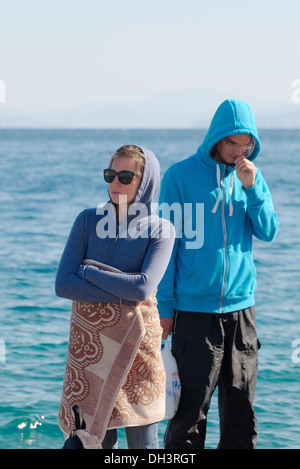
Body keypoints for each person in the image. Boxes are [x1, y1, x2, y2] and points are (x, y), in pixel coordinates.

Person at [157, 99, 279, 449]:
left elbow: (268, 230)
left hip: (242, 311)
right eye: (233, 143)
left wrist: (252, 188)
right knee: (191, 412)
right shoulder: (179, 176)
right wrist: (165, 307)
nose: (240, 151)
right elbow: (167, 246)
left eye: (247, 144)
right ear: (216, 138)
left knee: (241, 408)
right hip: (195, 313)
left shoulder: (251, 177)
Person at [55, 145, 175, 449]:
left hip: (139, 352)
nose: (115, 184)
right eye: (110, 175)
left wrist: (90, 270)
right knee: (90, 443)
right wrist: (122, 290)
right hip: (91, 353)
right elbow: (63, 285)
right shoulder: (87, 221)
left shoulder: (161, 230)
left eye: (125, 176)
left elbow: (142, 288)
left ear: (145, 182)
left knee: (143, 448)